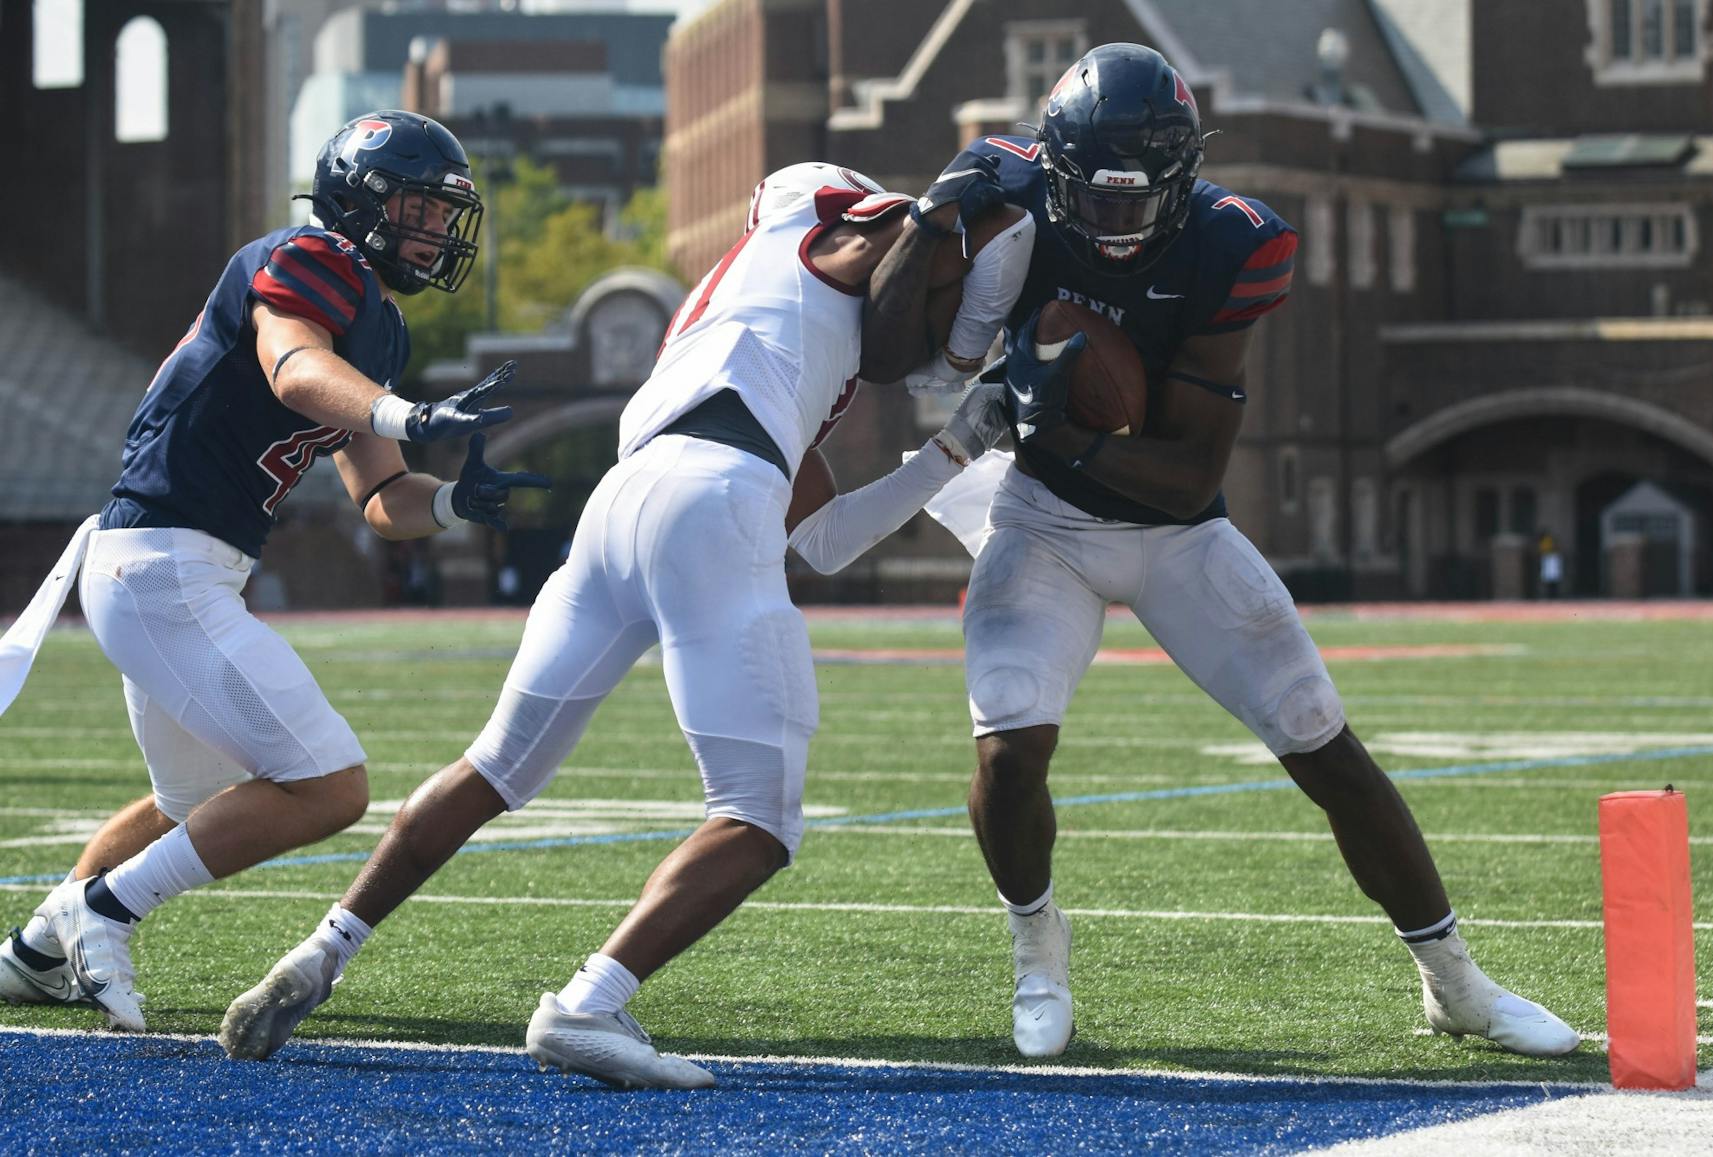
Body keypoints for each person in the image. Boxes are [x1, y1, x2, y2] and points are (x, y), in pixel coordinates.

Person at [215, 161, 1026, 1086]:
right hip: (718, 496)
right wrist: (964, 294)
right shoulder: (850, 241)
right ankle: (589, 1003)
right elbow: (927, 267)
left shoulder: (739, 304)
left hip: (623, 500)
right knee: (758, 817)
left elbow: (828, 538)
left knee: (492, 766)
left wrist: (952, 447)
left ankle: (320, 952)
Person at [872, 44, 1580, 1060]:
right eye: (1095, 203)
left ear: (1182, 180)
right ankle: (1036, 946)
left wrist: (1055, 422)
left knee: (1319, 737)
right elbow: (894, 349)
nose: (1115, 228)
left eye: (1137, 203)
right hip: (1042, 524)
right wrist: (927, 219)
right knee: (1007, 747)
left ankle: (1454, 981)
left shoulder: (1230, 242)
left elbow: (1188, 470)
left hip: (1173, 530)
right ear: (1055, 174)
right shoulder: (1008, 196)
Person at [0, 111, 548, 1030]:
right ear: (359, 199)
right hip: (160, 561)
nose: (433, 232)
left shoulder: (379, 325)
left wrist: (451, 501)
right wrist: (409, 416)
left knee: (193, 805)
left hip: (176, 570)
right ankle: (103, 909)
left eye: (440, 214)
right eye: (417, 207)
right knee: (331, 784)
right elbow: (294, 368)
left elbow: (379, 496)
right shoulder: (309, 256)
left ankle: (34, 954)